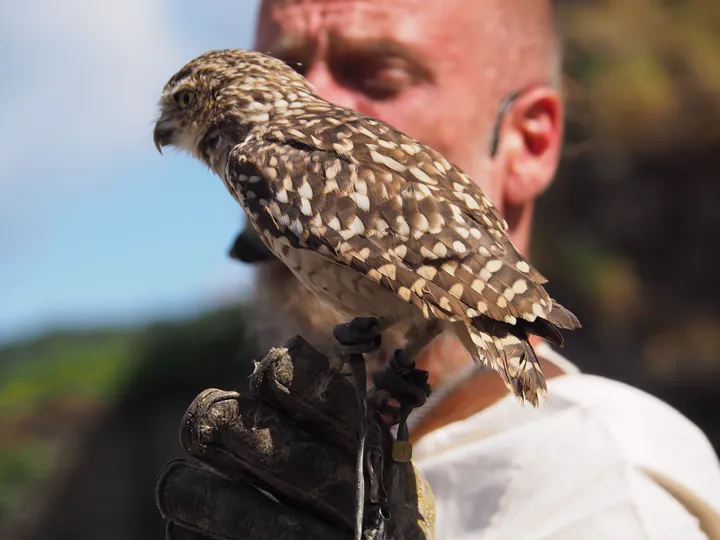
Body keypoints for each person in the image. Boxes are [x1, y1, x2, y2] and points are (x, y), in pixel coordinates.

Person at [157, 0, 720, 538]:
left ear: (531, 139)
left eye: (377, 73)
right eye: (296, 66)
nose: (324, 94)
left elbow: (398, 264)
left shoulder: (610, 487)